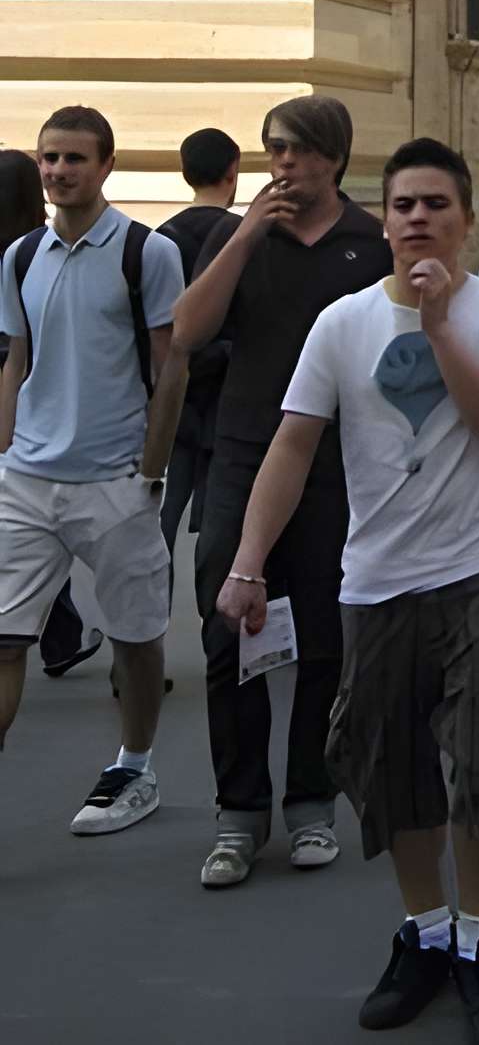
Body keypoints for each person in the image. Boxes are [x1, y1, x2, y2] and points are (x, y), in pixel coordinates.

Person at [218, 140, 479, 1038]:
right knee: (392, 771)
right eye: (403, 205)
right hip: (377, 583)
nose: (418, 220)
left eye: (436, 204)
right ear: (386, 218)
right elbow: (291, 445)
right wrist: (247, 564)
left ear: (467, 219)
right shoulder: (343, 323)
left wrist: (439, 328)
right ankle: (425, 934)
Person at [168, 95, 390, 889]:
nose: (283, 164)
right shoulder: (239, 235)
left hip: (337, 460)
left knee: (325, 632)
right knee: (227, 623)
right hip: (243, 452)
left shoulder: (372, 241)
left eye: (297, 150)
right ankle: (238, 811)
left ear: (333, 156)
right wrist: (245, 235)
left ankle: (310, 802)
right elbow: (187, 332)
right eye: (273, 149)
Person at [0, 106, 184, 833]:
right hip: (27, 479)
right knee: (5, 636)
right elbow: (15, 361)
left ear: (106, 165)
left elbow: (171, 368)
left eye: (75, 159)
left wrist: (151, 469)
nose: (58, 171)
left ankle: (135, 766)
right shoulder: (19, 257)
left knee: (138, 639)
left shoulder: (147, 251)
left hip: (117, 481)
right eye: (49, 158)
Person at [0, 150, 104, 681]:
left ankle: (50, 634)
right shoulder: (36, 252)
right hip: (32, 409)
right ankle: (59, 638)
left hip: (18, 403)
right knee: (41, 527)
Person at [154, 128, 241, 597]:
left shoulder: (158, 240)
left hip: (174, 397)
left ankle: (147, 644)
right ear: (234, 173)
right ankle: (221, 646)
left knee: (159, 526)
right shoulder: (242, 238)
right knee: (221, 532)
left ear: (183, 172)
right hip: (228, 401)